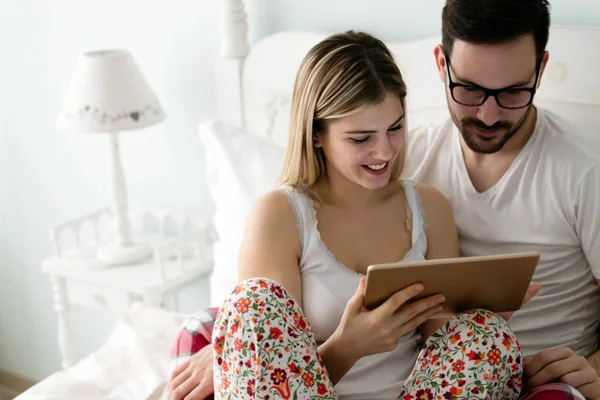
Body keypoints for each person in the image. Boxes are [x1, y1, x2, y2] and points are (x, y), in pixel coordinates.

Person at [169, 0, 600, 398]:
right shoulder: (287, 211)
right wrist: (244, 349)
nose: (385, 153)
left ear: (540, 70)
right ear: (316, 134)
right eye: (360, 138)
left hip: (449, 386)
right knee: (248, 307)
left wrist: (485, 320)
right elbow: (268, 355)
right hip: (316, 385)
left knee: (485, 336)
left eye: (395, 129)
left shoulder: (434, 201)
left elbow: (444, 343)